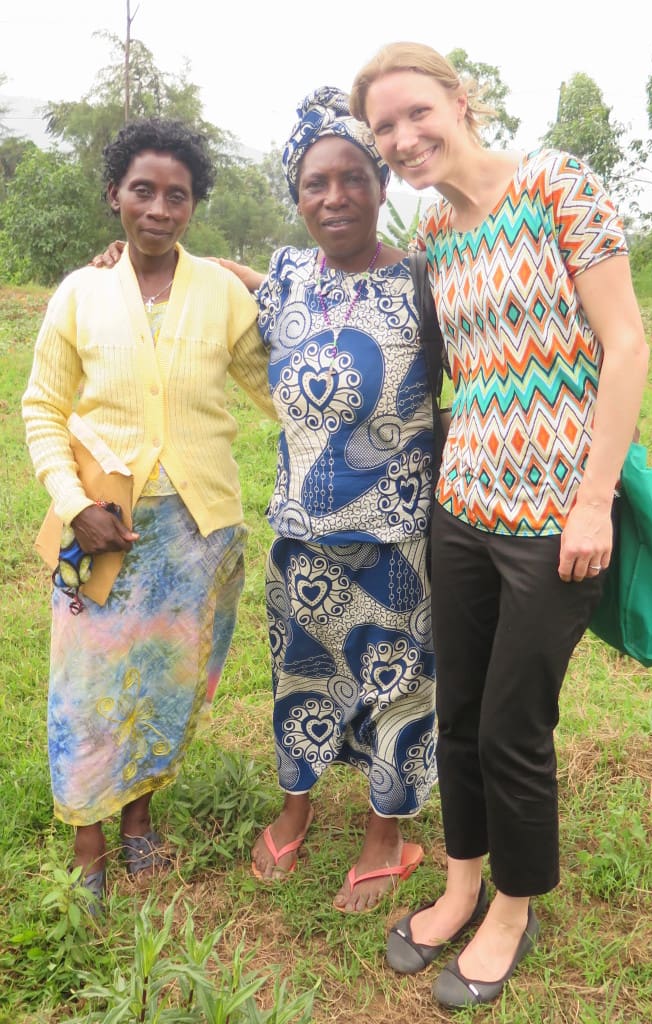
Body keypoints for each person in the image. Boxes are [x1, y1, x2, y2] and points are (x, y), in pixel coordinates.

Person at [350, 43, 649, 1005]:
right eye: (382, 128)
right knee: (462, 714)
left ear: (460, 101)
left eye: (414, 114)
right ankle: (461, 882)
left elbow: (626, 343)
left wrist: (593, 498)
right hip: (463, 508)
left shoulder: (558, 184)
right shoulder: (437, 236)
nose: (401, 139)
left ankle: (512, 909)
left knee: (516, 721)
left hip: (555, 516)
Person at [22, 118, 275, 910]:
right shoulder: (80, 291)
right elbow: (42, 408)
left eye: (178, 195)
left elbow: (280, 386)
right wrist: (73, 505)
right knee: (85, 688)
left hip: (199, 532)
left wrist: (266, 282)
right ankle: (88, 846)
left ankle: (139, 825)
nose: (159, 208)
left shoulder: (221, 293)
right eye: (143, 191)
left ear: (194, 205)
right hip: (102, 528)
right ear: (115, 197)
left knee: (166, 683)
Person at [227, 87, 440, 912]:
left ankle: (387, 833)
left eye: (352, 178)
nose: (334, 197)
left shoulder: (423, 282)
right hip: (300, 536)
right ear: (298, 197)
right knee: (300, 676)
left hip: (395, 539)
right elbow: (216, 275)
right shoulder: (285, 279)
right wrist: (122, 257)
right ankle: (296, 806)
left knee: (395, 683)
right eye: (315, 184)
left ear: (382, 185)